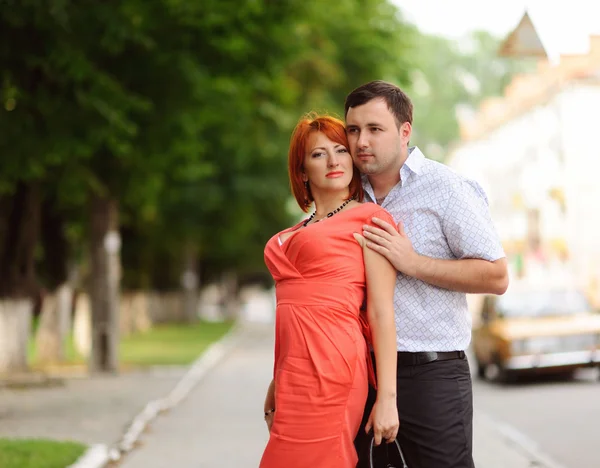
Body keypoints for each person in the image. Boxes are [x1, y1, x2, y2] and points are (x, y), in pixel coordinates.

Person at [345, 80, 509, 468]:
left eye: (374, 129)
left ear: (405, 131)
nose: (361, 142)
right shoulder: (348, 195)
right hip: (360, 374)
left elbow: (496, 276)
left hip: (431, 375)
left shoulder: (447, 188)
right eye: (353, 130)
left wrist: (413, 262)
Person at [259, 115, 400, 468]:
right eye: (319, 154)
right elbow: (291, 318)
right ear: (303, 171)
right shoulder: (296, 231)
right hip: (293, 376)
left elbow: (381, 312)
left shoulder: (370, 219)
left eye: (341, 150)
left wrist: (387, 397)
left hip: (335, 369)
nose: (335, 161)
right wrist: (276, 383)